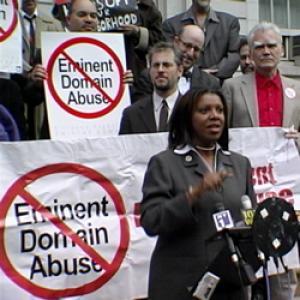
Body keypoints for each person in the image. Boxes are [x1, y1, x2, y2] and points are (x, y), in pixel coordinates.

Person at [140, 88, 255, 300]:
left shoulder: (240, 164)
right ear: (187, 117)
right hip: (182, 285)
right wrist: (194, 193)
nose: (214, 116)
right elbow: (151, 221)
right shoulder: (164, 164)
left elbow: (250, 221)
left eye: (219, 110)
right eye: (205, 110)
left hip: (230, 286)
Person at [222, 22, 300, 300]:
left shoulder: (297, 89)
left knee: (284, 269)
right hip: (245, 193)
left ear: (281, 49)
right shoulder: (231, 87)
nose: (266, 51)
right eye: (259, 47)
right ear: (250, 54)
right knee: (244, 264)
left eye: (271, 46)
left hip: (284, 195)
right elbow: (222, 137)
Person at [23, 0, 133, 139]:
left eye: (93, 16)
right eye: (82, 15)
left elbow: (123, 102)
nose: (88, 20)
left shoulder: (115, 53)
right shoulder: (47, 51)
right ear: (68, 19)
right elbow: (31, 99)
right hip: (61, 137)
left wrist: (127, 86)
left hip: (102, 136)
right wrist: (36, 83)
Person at [133, 24, 220, 102]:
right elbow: (141, 113)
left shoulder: (210, 83)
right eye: (187, 45)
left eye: (196, 49)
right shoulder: (149, 76)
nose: (190, 53)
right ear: (176, 41)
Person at [162, 0, 240, 81]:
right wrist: (195, 74)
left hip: (220, 87)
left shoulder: (229, 23)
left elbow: (234, 56)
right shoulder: (171, 25)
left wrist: (210, 74)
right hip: (183, 86)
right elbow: (169, 57)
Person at [119, 42, 183, 134]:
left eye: (166, 65)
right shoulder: (131, 114)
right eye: (156, 65)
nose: (160, 70)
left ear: (180, 70)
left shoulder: (192, 111)